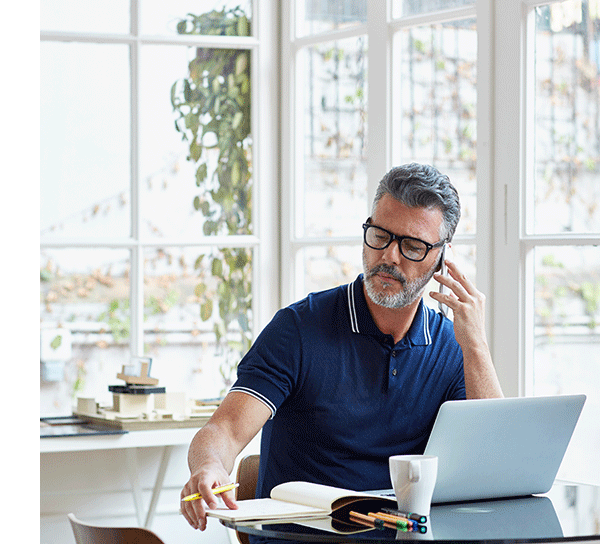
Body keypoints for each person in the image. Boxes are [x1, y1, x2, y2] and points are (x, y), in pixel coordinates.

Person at [181, 163, 503, 531]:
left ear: (442, 257)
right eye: (380, 235)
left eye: (412, 246)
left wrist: (476, 345)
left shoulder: (452, 346)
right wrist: (209, 466)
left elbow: (492, 463)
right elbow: (224, 430)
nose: (390, 257)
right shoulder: (299, 329)